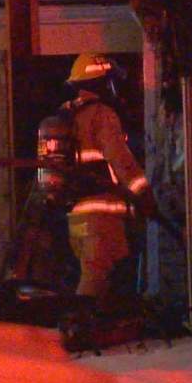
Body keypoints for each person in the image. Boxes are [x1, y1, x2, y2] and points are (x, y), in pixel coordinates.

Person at [57, 52, 157, 303]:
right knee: (94, 282)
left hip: (76, 217)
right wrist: (144, 192)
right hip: (100, 218)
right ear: (101, 82)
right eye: (110, 81)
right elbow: (120, 159)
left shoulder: (66, 115)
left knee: (99, 280)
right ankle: (77, 330)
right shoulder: (101, 114)